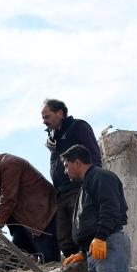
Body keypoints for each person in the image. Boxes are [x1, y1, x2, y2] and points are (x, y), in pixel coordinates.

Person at [60, 144, 130, 272]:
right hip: (95, 248)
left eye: (66, 166)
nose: (66, 171)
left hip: (108, 242)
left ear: (78, 162)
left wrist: (100, 236)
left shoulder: (101, 177)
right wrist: (83, 251)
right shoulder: (86, 184)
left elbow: (110, 208)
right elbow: (88, 219)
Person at [0, 146, 59, 263]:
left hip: (42, 216)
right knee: (15, 260)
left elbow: (8, 198)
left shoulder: (10, 164)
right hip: (22, 222)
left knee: (49, 260)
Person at [42, 98, 102, 257]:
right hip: (61, 192)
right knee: (64, 237)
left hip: (78, 188)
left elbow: (94, 155)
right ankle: (73, 267)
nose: (44, 121)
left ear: (60, 113)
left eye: (47, 117)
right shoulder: (54, 137)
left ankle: (89, 265)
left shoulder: (78, 127)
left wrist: (91, 182)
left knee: (82, 230)